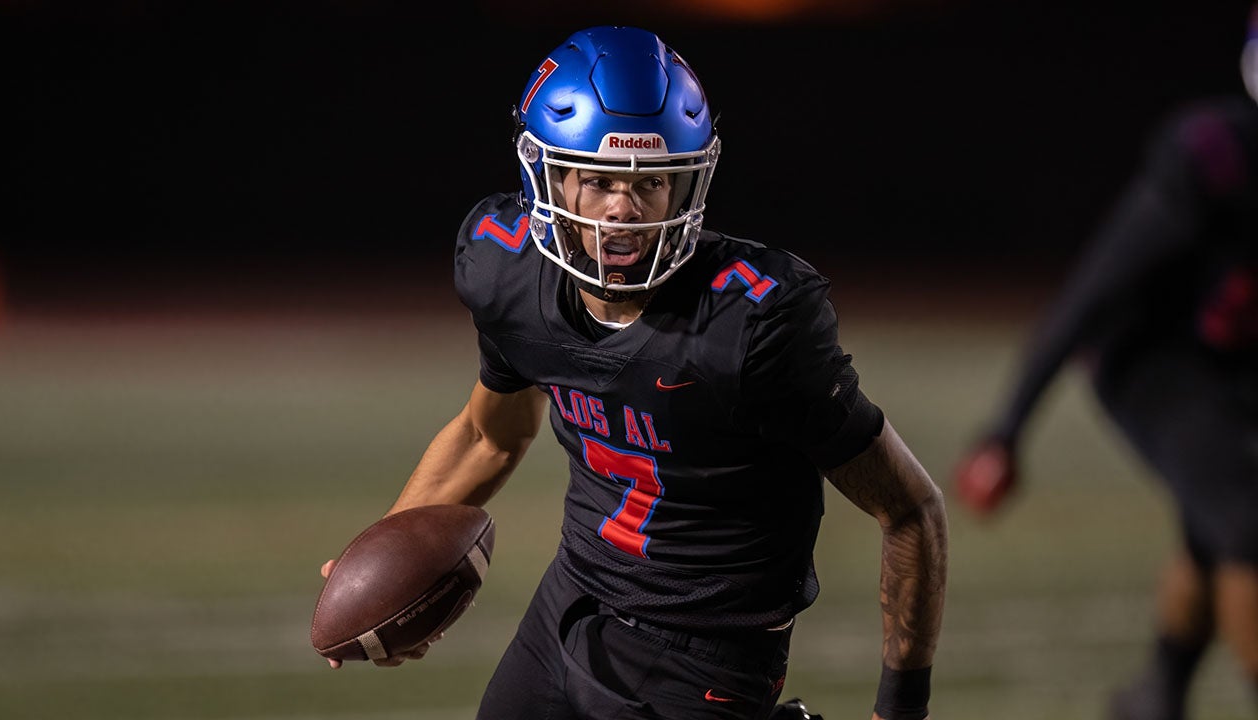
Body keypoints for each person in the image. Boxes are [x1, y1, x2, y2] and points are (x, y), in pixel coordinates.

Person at [322, 25, 948, 720]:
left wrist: (903, 710)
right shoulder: (510, 276)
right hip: (572, 602)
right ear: (549, 177)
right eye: (597, 181)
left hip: (706, 653)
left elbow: (910, 509)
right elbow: (488, 437)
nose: (624, 207)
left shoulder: (751, 326)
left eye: (651, 181)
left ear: (687, 186)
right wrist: (386, 557)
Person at [951, 9, 1258, 720]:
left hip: (1233, 361)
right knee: (1245, 522)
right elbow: (1094, 290)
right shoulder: (1218, 156)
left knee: (1218, 522)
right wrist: (1008, 428)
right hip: (1151, 360)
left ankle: (1156, 697)